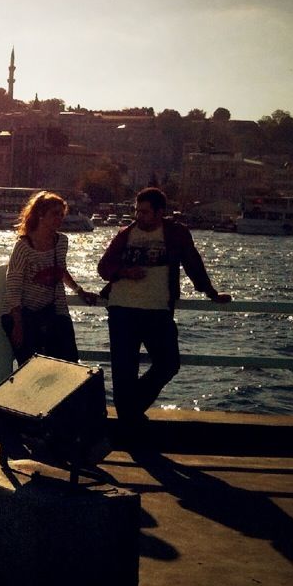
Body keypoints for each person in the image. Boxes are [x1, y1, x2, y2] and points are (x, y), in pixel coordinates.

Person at [97, 186, 231, 438]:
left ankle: (130, 411)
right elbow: (104, 267)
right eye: (137, 211)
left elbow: (193, 264)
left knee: (168, 364)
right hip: (122, 309)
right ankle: (129, 425)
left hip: (157, 310)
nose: (139, 216)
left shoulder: (176, 233)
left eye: (145, 212)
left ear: (160, 212)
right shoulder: (126, 234)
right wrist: (125, 272)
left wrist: (211, 293)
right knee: (124, 370)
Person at [1, 191, 97, 366]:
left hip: (54, 309)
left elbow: (60, 270)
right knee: (32, 366)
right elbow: (13, 285)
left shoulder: (61, 242)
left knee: (68, 363)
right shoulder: (24, 246)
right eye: (55, 214)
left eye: (61, 214)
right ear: (40, 214)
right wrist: (17, 324)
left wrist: (79, 290)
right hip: (26, 313)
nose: (59, 219)